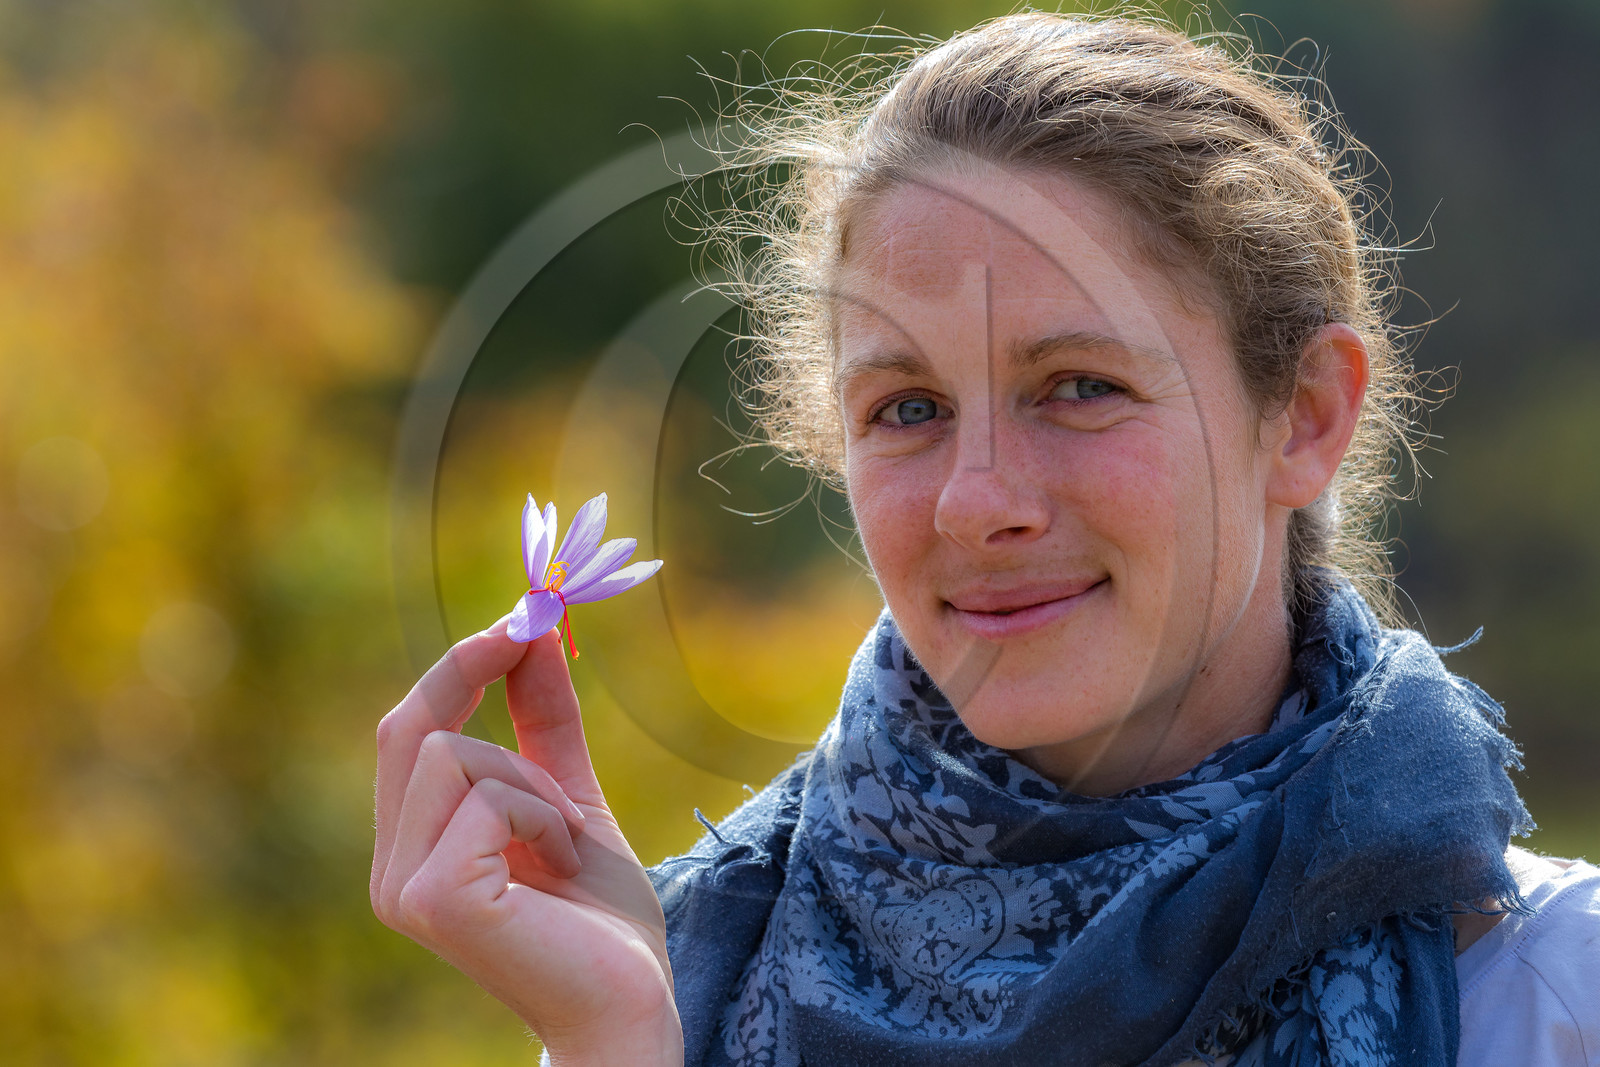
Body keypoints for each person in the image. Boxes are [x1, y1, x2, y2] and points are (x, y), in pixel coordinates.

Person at [370, 11, 1600, 1066]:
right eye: (907, 409)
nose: (976, 500)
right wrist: (615, 1033)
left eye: (1076, 385)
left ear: (1305, 416)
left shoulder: (1546, 997)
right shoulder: (685, 979)